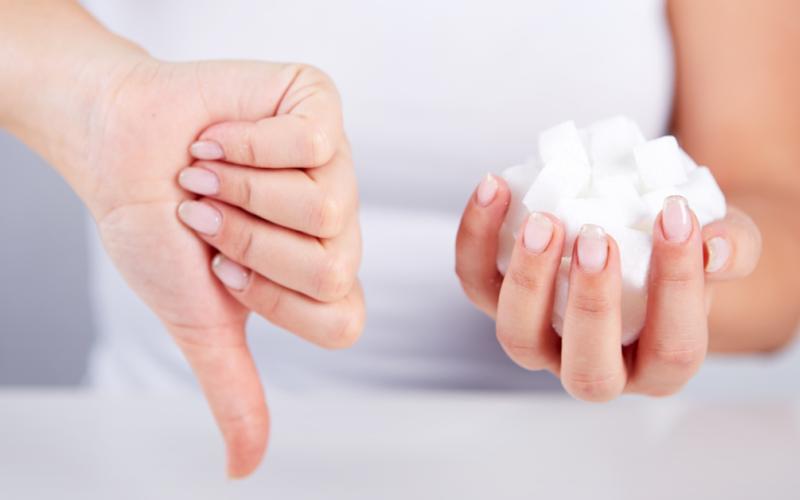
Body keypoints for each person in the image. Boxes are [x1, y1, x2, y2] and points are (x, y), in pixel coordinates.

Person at [2, 0, 798, 478]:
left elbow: (773, 210)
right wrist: (102, 102)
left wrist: (673, 286)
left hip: (577, 469)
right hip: (164, 454)